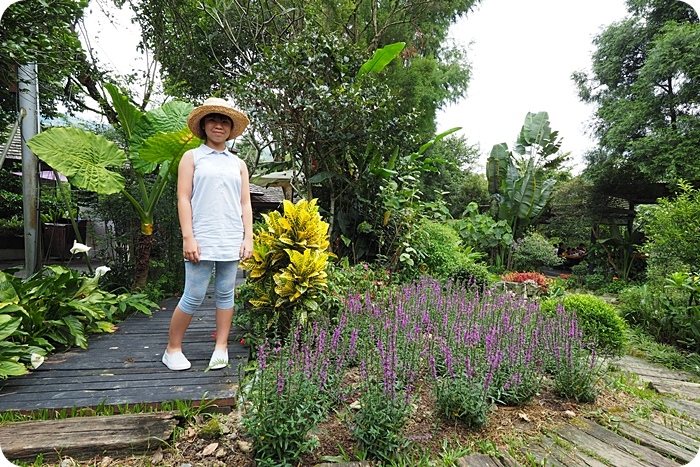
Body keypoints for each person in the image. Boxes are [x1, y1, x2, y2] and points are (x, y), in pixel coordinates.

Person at [162, 97, 253, 371]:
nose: (219, 125)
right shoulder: (192, 157)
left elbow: (245, 202)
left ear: (230, 128)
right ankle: (172, 349)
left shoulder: (238, 163)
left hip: (230, 236)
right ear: (203, 125)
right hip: (201, 237)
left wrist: (248, 236)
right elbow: (183, 198)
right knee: (194, 294)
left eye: (225, 121)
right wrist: (188, 236)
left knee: (226, 293)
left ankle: (221, 347)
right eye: (213, 119)